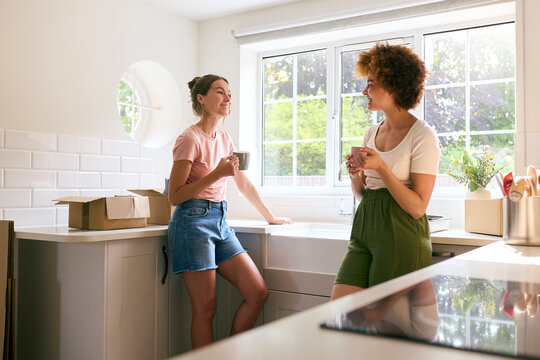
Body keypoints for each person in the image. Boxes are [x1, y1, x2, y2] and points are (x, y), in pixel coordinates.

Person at [167, 74, 292, 349]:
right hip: (192, 222)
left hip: (219, 221)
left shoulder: (224, 138)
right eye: (220, 92)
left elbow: (242, 182)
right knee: (206, 309)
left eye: (229, 94)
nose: (227, 99)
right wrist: (217, 174)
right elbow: (174, 196)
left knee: (258, 292)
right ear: (201, 98)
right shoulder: (189, 138)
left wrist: (269, 217)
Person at [331, 43, 440, 300]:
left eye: (370, 84)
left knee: (381, 323)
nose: (364, 91)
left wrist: (381, 167)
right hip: (364, 229)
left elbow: (417, 208)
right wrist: (356, 174)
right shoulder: (372, 131)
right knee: (339, 310)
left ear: (393, 86)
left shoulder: (422, 136)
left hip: (400, 234)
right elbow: (363, 194)